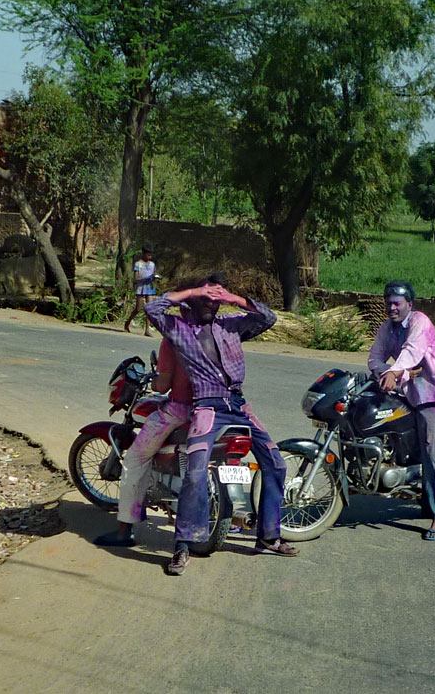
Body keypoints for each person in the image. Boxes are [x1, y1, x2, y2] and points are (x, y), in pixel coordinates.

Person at [145, 275, 297, 575]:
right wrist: (191, 291)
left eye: (215, 301)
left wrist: (234, 298)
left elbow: (268, 317)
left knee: (276, 463)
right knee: (196, 472)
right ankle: (183, 547)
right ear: (192, 301)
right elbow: (152, 309)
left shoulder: (231, 325)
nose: (210, 304)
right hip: (206, 406)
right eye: (205, 299)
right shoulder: (178, 328)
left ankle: (269, 536)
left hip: (237, 406)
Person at [367, 280, 435, 542]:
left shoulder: (420, 322)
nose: (392, 308)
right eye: (389, 303)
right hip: (406, 394)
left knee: (431, 450)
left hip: (432, 397)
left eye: (397, 304)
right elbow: (374, 358)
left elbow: (412, 351)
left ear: (409, 305)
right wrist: (390, 372)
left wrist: (396, 370)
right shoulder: (386, 328)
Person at [93, 337, 192, 547]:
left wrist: (156, 381)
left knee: (135, 460)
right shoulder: (220, 333)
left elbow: (162, 386)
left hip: (180, 411)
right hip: (217, 412)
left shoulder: (175, 337)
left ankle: (124, 531)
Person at [124, 245, 159, 336]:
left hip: (149, 288)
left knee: (149, 309)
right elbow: (136, 279)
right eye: (148, 255)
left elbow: (153, 274)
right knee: (138, 308)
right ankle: (127, 323)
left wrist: (154, 278)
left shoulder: (152, 264)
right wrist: (145, 278)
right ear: (143, 254)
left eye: (150, 255)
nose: (149, 257)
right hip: (140, 288)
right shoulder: (138, 264)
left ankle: (147, 329)